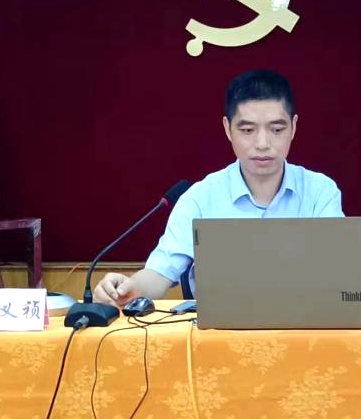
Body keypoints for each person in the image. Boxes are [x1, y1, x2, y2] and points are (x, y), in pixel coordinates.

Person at [93, 69, 343, 305]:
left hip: (303, 328)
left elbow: (338, 271)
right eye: (247, 130)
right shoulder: (200, 199)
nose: (262, 143)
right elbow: (159, 274)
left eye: (277, 129)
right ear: (228, 129)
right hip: (217, 333)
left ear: (294, 127)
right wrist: (128, 288)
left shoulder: (320, 192)